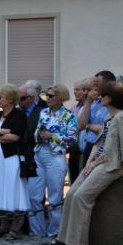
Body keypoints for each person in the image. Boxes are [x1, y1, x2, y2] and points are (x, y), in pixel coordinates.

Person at [43, 82, 123, 245]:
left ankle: (78, 244)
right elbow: (99, 143)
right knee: (71, 194)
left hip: (113, 164)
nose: (99, 98)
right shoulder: (109, 117)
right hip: (99, 162)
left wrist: (96, 163)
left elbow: (121, 149)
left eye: (103, 95)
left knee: (82, 197)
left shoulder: (122, 117)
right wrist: (90, 162)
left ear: (110, 98)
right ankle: (64, 238)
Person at [28, 84, 77, 237]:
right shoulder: (43, 112)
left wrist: (52, 136)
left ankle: (55, 232)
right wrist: (40, 135)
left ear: (60, 97)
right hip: (39, 154)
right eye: (46, 95)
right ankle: (37, 231)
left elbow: (72, 140)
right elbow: (36, 132)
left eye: (50, 96)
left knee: (55, 196)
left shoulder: (69, 115)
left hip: (56, 156)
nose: (47, 98)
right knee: (33, 195)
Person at [0, 84, 29, 240]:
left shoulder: (19, 115)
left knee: (14, 190)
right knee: (0, 189)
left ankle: (15, 228)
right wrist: (1, 132)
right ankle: (3, 225)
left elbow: (14, 137)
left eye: (1, 97)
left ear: (10, 99)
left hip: (12, 159)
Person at [78, 71, 116, 169]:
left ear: (108, 84)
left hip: (107, 148)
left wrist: (88, 126)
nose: (94, 88)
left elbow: (110, 129)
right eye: (93, 84)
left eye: (97, 84)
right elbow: (81, 126)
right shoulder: (93, 102)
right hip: (90, 146)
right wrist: (88, 102)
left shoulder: (118, 103)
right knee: (85, 176)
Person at [68, 79, 88, 183]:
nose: (75, 92)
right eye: (74, 90)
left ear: (85, 91)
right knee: (73, 178)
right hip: (74, 149)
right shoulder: (73, 109)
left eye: (77, 90)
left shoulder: (91, 107)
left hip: (86, 148)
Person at [19, 84, 43, 160]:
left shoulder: (42, 113)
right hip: (18, 154)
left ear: (31, 98)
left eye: (22, 98)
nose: (18, 100)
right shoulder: (16, 112)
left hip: (35, 155)